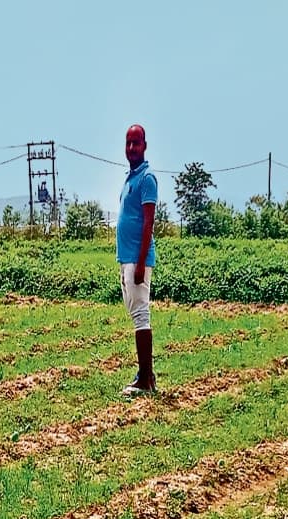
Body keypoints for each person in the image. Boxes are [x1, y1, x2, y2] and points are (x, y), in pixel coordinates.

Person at [115, 124, 157, 396]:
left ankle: (146, 379)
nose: (132, 148)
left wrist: (141, 263)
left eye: (136, 143)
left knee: (141, 314)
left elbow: (148, 222)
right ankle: (145, 374)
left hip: (137, 259)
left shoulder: (147, 179)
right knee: (135, 314)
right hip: (127, 258)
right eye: (128, 143)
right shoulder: (130, 178)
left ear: (144, 145)